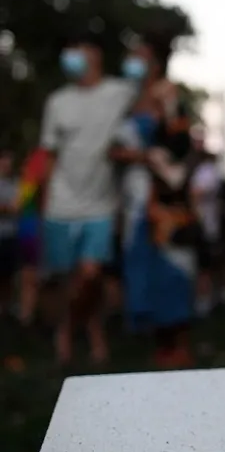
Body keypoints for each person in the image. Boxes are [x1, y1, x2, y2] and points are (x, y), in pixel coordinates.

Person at [38, 32, 139, 364]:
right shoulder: (57, 102)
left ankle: (74, 329)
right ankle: (83, 329)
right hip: (60, 205)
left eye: (76, 50)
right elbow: (48, 154)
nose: (71, 57)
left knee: (92, 275)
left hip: (100, 205)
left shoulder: (118, 93)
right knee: (69, 279)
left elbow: (152, 91)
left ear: (94, 54)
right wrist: (42, 201)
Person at [114, 34, 199, 367]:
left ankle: (180, 343)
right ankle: (157, 344)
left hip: (166, 204)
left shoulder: (169, 96)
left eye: (141, 55)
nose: (133, 61)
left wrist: (150, 158)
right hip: (134, 201)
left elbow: (179, 145)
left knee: (173, 269)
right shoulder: (124, 100)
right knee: (142, 267)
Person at [189, 137, 225, 317]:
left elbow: (196, 193)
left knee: (205, 266)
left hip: (205, 226)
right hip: (191, 227)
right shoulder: (191, 170)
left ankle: (206, 304)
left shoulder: (209, 171)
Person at [14, 148, 50, 326]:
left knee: (32, 276)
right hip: (31, 227)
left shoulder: (36, 166)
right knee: (30, 275)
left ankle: (28, 316)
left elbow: (19, 204)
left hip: (35, 227)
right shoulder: (36, 165)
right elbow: (20, 203)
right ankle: (27, 316)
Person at [0, 149, 18, 319]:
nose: (7, 165)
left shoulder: (15, 183)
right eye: (4, 161)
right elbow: (13, 207)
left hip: (11, 235)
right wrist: (8, 208)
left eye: (9, 161)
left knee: (8, 275)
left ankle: (5, 309)